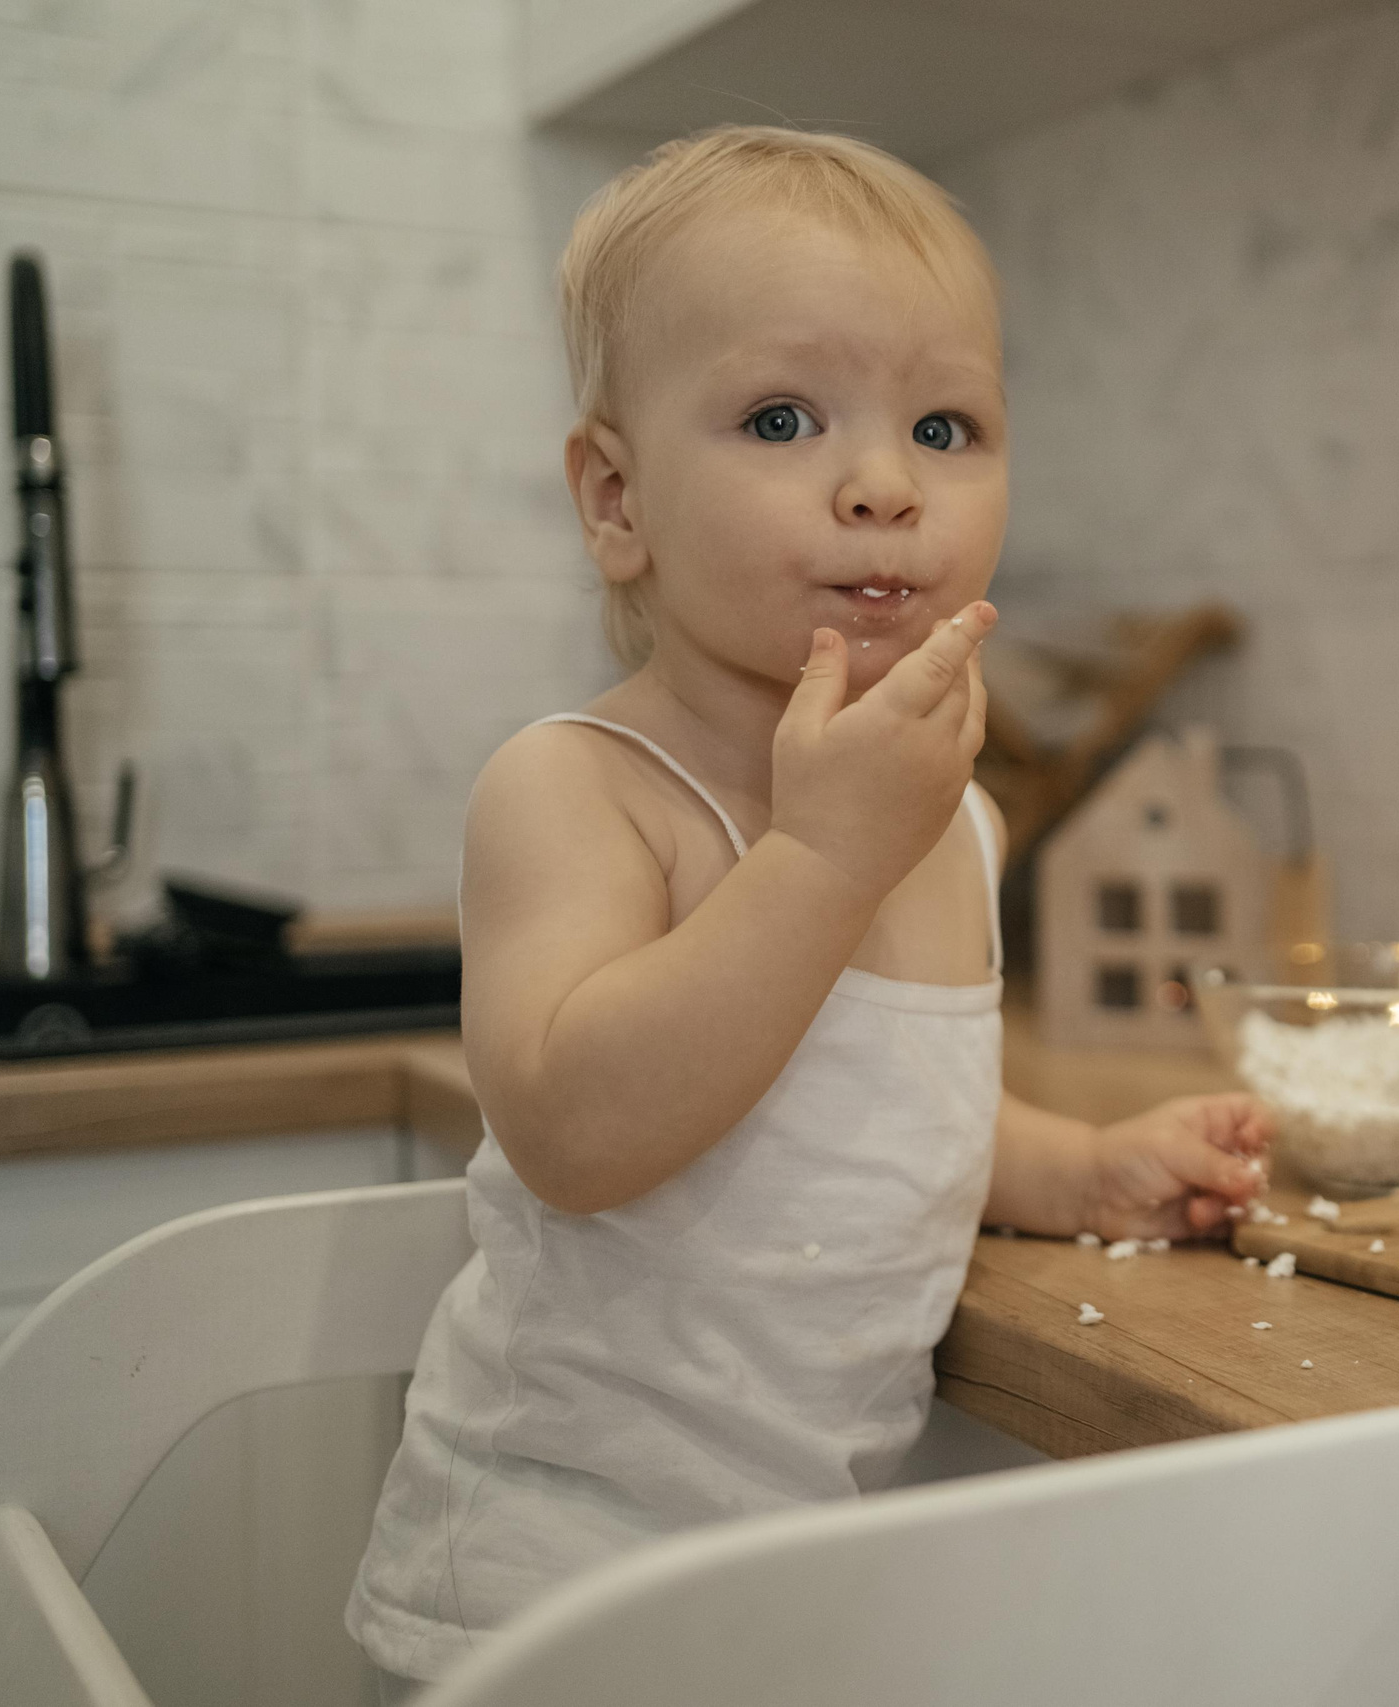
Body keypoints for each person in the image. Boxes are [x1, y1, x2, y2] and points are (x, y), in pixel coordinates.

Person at [347, 127, 1274, 1697]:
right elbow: (577, 1136)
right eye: (784, 418)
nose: (884, 485)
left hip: (794, 1595)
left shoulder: (948, 821)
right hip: (544, 1603)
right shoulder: (582, 790)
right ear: (617, 496)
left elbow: (898, 1109)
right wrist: (826, 859)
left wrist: (1082, 1166)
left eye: (946, 423)